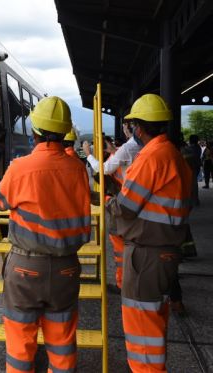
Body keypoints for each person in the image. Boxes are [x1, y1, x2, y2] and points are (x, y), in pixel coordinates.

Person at [0, 96, 90, 373]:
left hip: (25, 268)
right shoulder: (78, 169)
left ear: (34, 131)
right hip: (66, 268)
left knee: (21, 342)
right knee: (62, 342)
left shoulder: (20, 168)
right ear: (64, 132)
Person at [106, 94, 192, 373]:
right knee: (154, 323)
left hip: (146, 257)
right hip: (164, 253)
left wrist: (108, 201)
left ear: (139, 128)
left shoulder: (151, 157)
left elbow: (126, 208)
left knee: (142, 331)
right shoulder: (173, 155)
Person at [83, 122, 141, 288]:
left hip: (120, 205)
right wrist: (114, 152)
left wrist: (88, 154)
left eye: (124, 125)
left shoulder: (126, 149)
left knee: (119, 247)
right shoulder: (135, 149)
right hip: (133, 203)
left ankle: (122, 283)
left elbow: (103, 170)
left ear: (131, 127)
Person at [188, 134, 201, 206]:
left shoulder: (191, 148)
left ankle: (194, 200)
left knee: (193, 184)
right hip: (196, 166)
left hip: (192, 167)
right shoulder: (198, 147)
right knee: (194, 183)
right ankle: (195, 199)